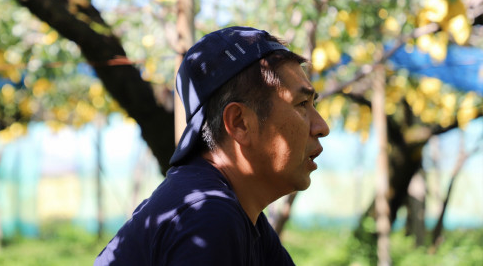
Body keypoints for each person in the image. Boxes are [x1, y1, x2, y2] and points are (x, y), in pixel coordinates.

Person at [94, 26, 330, 265]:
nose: (322, 127)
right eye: (301, 104)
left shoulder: (246, 217)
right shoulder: (207, 216)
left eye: (313, 105)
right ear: (240, 123)